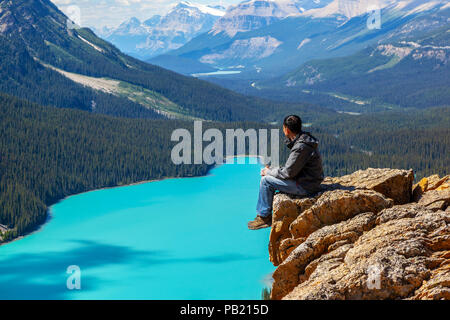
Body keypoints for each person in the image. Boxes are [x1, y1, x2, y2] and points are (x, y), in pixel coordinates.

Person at [248, 115, 324, 230]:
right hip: (308, 181)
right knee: (271, 173)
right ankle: (264, 214)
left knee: (266, 181)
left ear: (286, 129)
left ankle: (264, 217)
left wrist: (268, 172)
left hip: (305, 186)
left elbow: (288, 173)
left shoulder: (300, 147)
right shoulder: (304, 140)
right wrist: (273, 170)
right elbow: (292, 168)